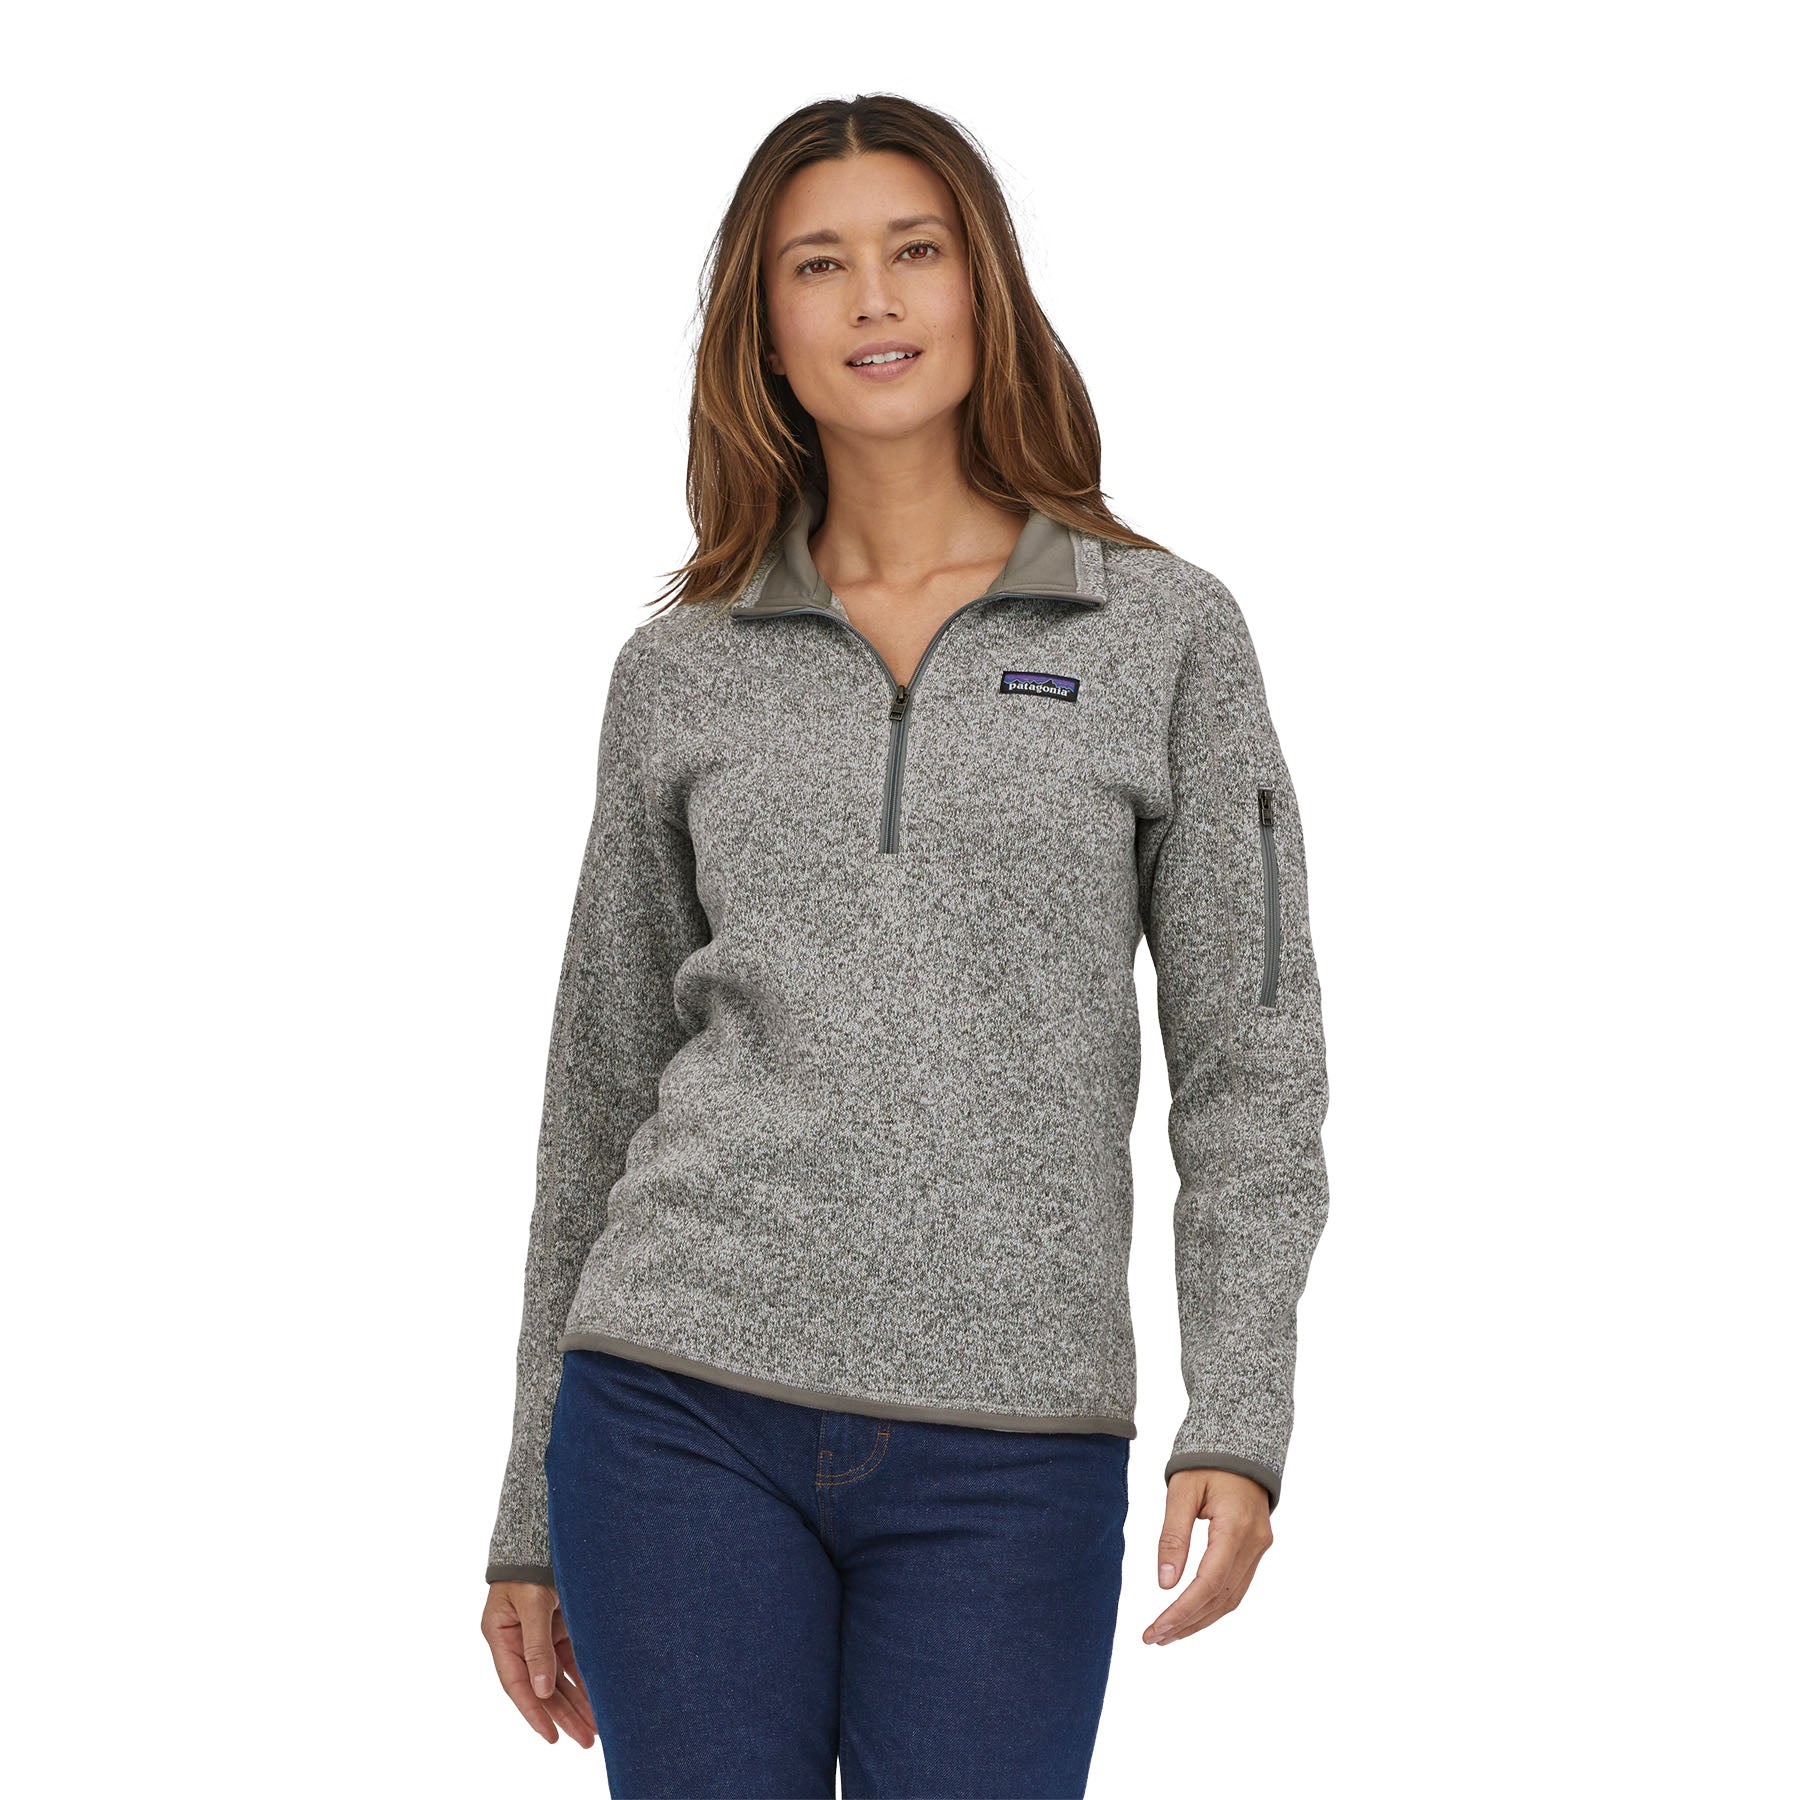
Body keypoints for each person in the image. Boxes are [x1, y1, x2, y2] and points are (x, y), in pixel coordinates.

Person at [478, 92, 1331, 1799]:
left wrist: (1239, 1411)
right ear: (764, 326)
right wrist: (526, 1506)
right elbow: (600, 1083)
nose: (873, 298)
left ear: (981, 287)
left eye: (914, 251)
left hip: (1013, 1436)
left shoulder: (1163, 632)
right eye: (819, 264)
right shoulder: (682, 667)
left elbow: (1253, 1059)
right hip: (675, 1401)